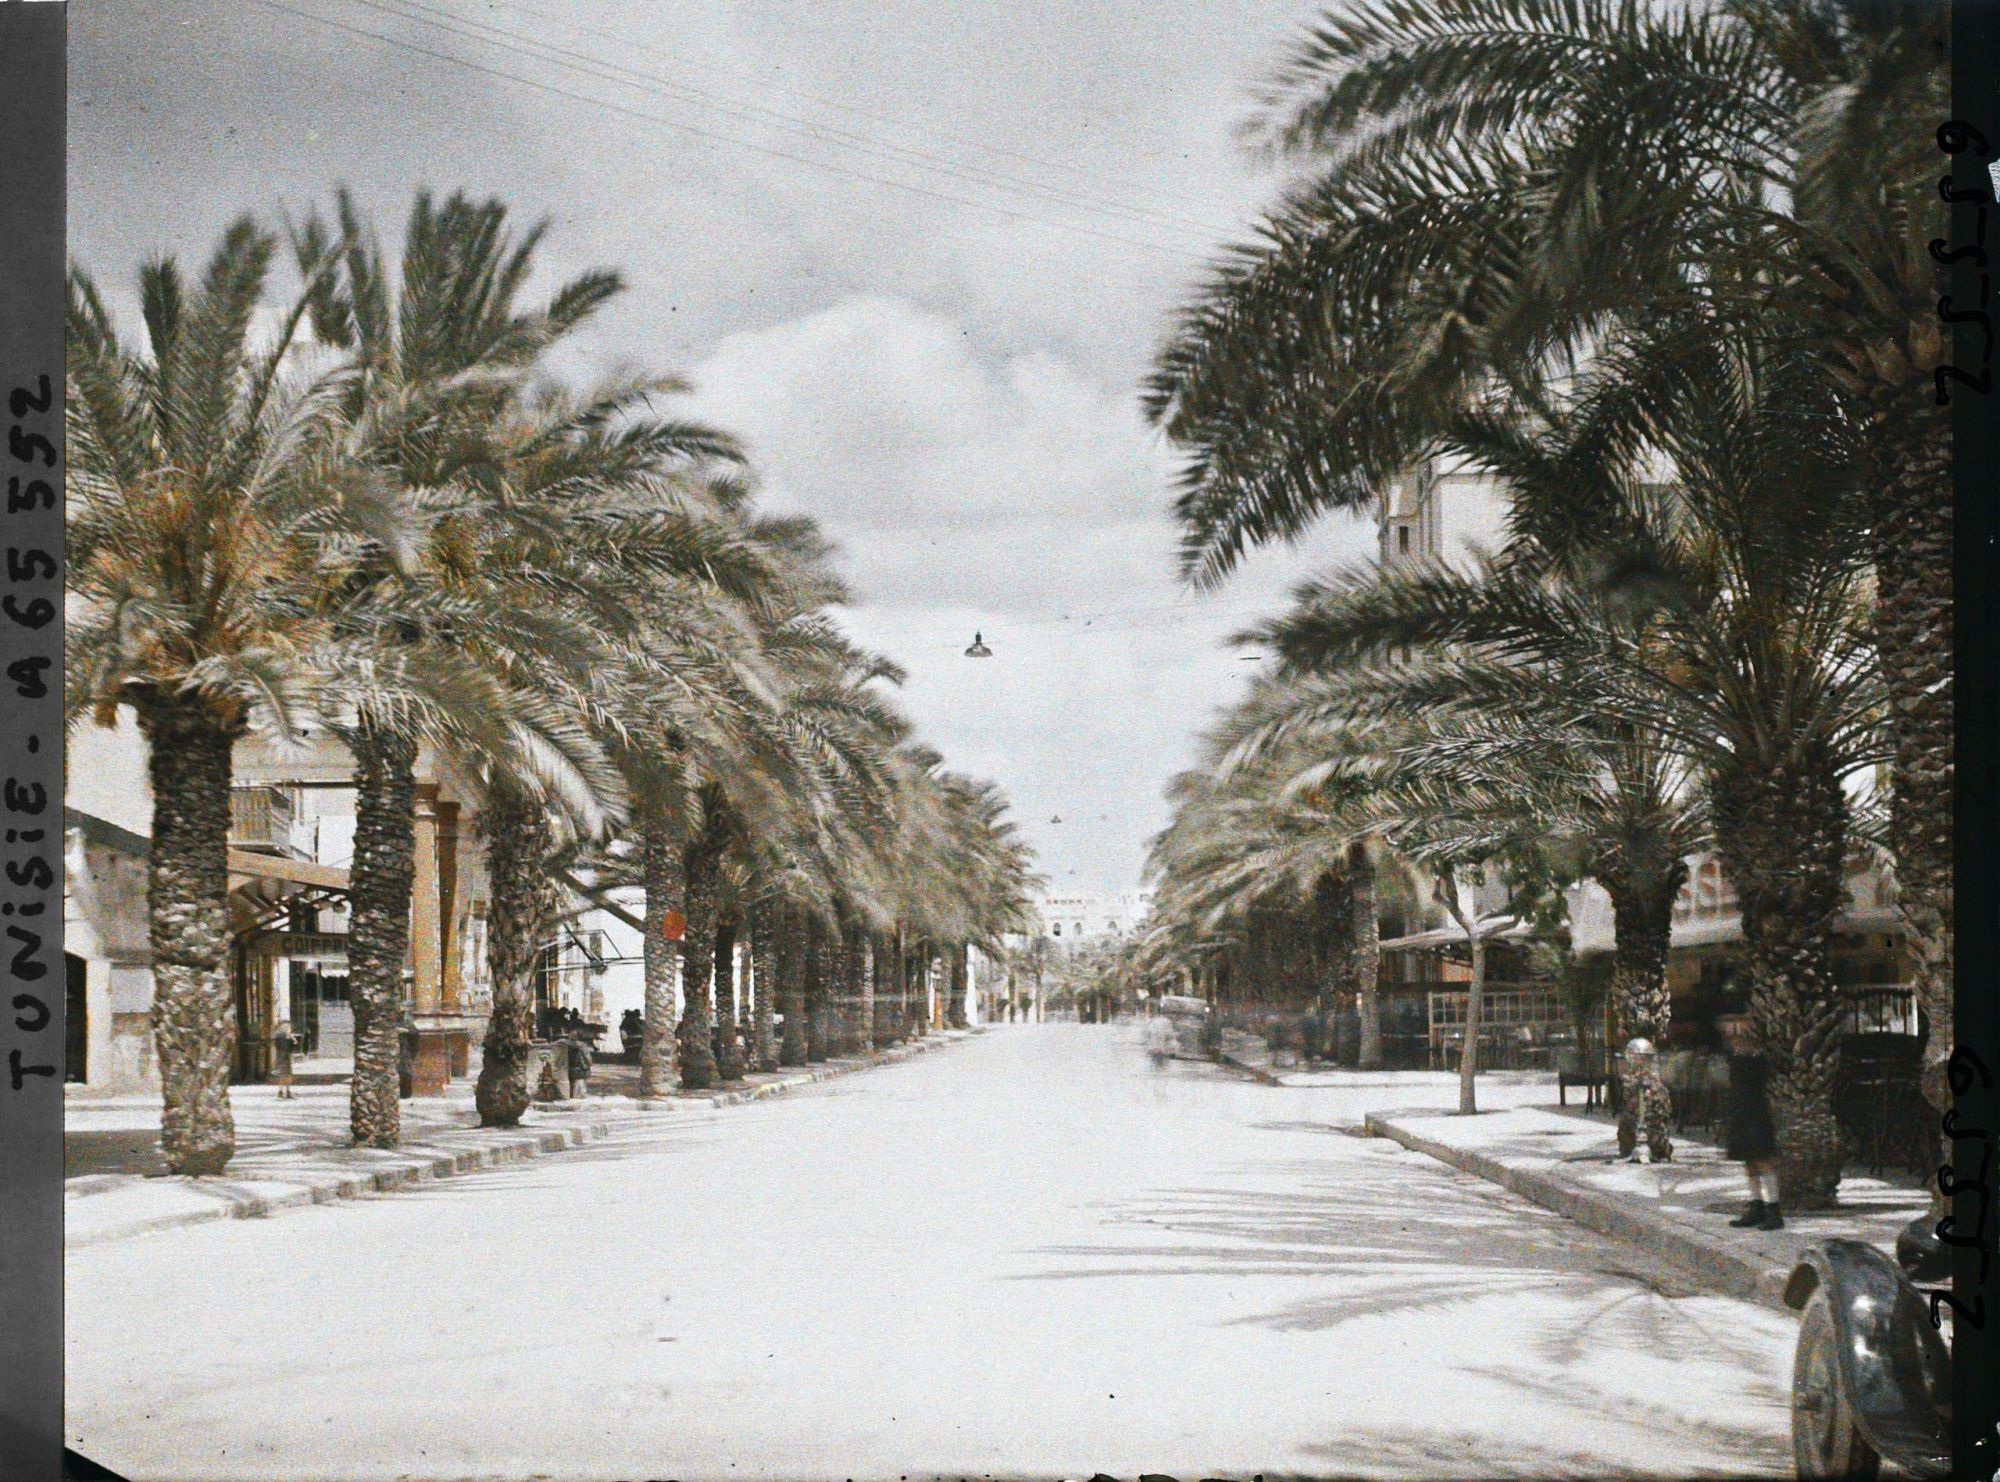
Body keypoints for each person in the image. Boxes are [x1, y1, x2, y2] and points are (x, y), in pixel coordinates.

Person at [1719, 1014, 1782, 1230]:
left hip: (1755, 1111)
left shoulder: (1758, 1059)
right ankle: (1757, 1206)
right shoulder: (1736, 1056)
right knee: (1748, 1161)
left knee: (1762, 1159)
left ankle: (1774, 1209)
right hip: (1741, 1111)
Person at [271, 1019, 298, 1100]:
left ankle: (287, 1091)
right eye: (286, 1026)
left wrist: (293, 1040)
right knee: (282, 1075)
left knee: (288, 1075)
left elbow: (293, 1047)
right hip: (281, 1057)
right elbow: (276, 1045)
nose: (287, 1027)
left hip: (286, 1057)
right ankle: (281, 1092)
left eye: (288, 1026)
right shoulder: (279, 1035)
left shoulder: (286, 1035)